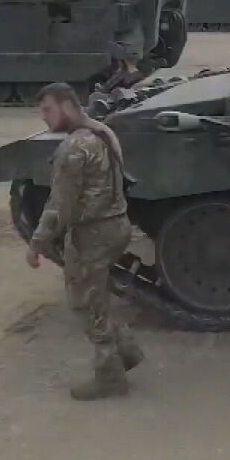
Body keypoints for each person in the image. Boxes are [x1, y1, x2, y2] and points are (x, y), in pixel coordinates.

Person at [26, 82, 144, 400]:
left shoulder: (74, 148)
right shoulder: (103, 131)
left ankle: (109, 375)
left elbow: (60, 205)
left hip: (92, 233)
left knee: (85, 302)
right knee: (98, 293)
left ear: (67, 106)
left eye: (48, 110)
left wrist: (38, 243)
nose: (44, 117)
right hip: (117, 224)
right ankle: (126, 350)